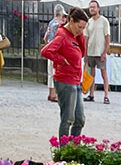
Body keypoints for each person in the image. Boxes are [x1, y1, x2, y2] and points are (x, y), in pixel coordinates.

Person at [42, 6, 86, 138]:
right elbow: (46, 51)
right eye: (79, 27)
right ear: (71, 21)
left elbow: (82, 53)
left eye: (83, 28)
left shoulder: (74, 35)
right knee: (68, 118)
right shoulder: (62, 34)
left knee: (80, 119)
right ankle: (65, 151)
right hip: (65, 80)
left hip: (76, 80)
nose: (81, 30)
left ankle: (74, 148)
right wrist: (61, 60)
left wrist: (80, 35)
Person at [83, 0, 109, 104]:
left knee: (103, 73)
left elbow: (107, 37)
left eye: (94, 7)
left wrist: (104, 52)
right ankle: (91, 94)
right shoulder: (89, 22)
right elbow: (86, 38)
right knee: (91, 74)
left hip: (100, 52)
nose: (92, 9)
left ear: (98, 8)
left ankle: (106, 95)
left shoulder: (104, 21)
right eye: (90, 7)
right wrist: (85, 53)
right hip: (90, 52)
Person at [43, 4, 65, 101]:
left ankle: (50, 93)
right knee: (55, 72)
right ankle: (54, 95)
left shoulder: (51, 23)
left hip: (49, 49)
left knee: (50, 72)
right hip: (56, 51)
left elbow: (45, 37)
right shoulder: (59, 25)